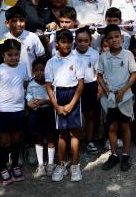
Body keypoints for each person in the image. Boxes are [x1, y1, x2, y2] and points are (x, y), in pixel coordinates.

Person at [45, 30, 85, 182]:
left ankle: (75, 165)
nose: (66, 45)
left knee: (75, 133)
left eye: (69, 41)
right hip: (58, 95)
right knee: (61, 134)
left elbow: (81, 85)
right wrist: (56, 106)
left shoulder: (77, 60)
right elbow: (48, 86)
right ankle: (60, 165)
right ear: (56, 44)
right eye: (63, 41)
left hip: (73, 95)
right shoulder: (51, 62)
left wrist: (72, 104)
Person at [96, 25, 136, 172]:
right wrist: (106, 90)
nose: (114, 40)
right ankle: (113, 155)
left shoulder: (128, 55)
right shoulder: (103, 57)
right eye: (110, 38)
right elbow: (99, 75)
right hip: (109, 97)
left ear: (122, 37)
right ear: (106, 40)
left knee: (125, 126)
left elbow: (133, 74)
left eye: (116, 36)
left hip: (124, 96)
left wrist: (123, 90)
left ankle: (126, 155)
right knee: (112, 127)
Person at [0, 38, 28, 185]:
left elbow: (25, 87)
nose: (14, 57)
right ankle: (3, 167)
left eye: (16, 54)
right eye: (10, 55)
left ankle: (15, 165)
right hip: (2, 111)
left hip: (18, 110)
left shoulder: (23, 67)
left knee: (16, 139)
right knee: (4, 141)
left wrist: (27, 105)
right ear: (3, 55)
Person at [27, 58, 56, 179]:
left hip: (48, 112)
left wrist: (45, 101)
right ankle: (40, 165)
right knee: (38, 137)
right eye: (37, 70)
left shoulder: (50, 83)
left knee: (50, 137)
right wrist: (31, 103)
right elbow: (28, 97)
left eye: (42, 70)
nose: (40, 72)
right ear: (33, 71)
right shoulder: (31, 84)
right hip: (36, 113)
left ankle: (50, 164)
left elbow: (54, 99)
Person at [74, 26, 101, 154]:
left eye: (85, 40)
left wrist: (99, 90)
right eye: (79, 40)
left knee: (90, 115)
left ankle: (89, 141)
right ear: (75, 41)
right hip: (75, 88)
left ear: (90, 41)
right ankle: (77, 140)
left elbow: (99, 73)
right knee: (77, 116)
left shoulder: (94, 54)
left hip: (91, 87)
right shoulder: (72, 55)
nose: (82, 43)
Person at [1, 6, 45, 76]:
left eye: (21, 20)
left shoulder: (32, 37)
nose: (19, 24)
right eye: (14, 21)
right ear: (7, 23)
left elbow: (41, 57)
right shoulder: (2, 39)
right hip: (10, 80)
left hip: (30, 81)